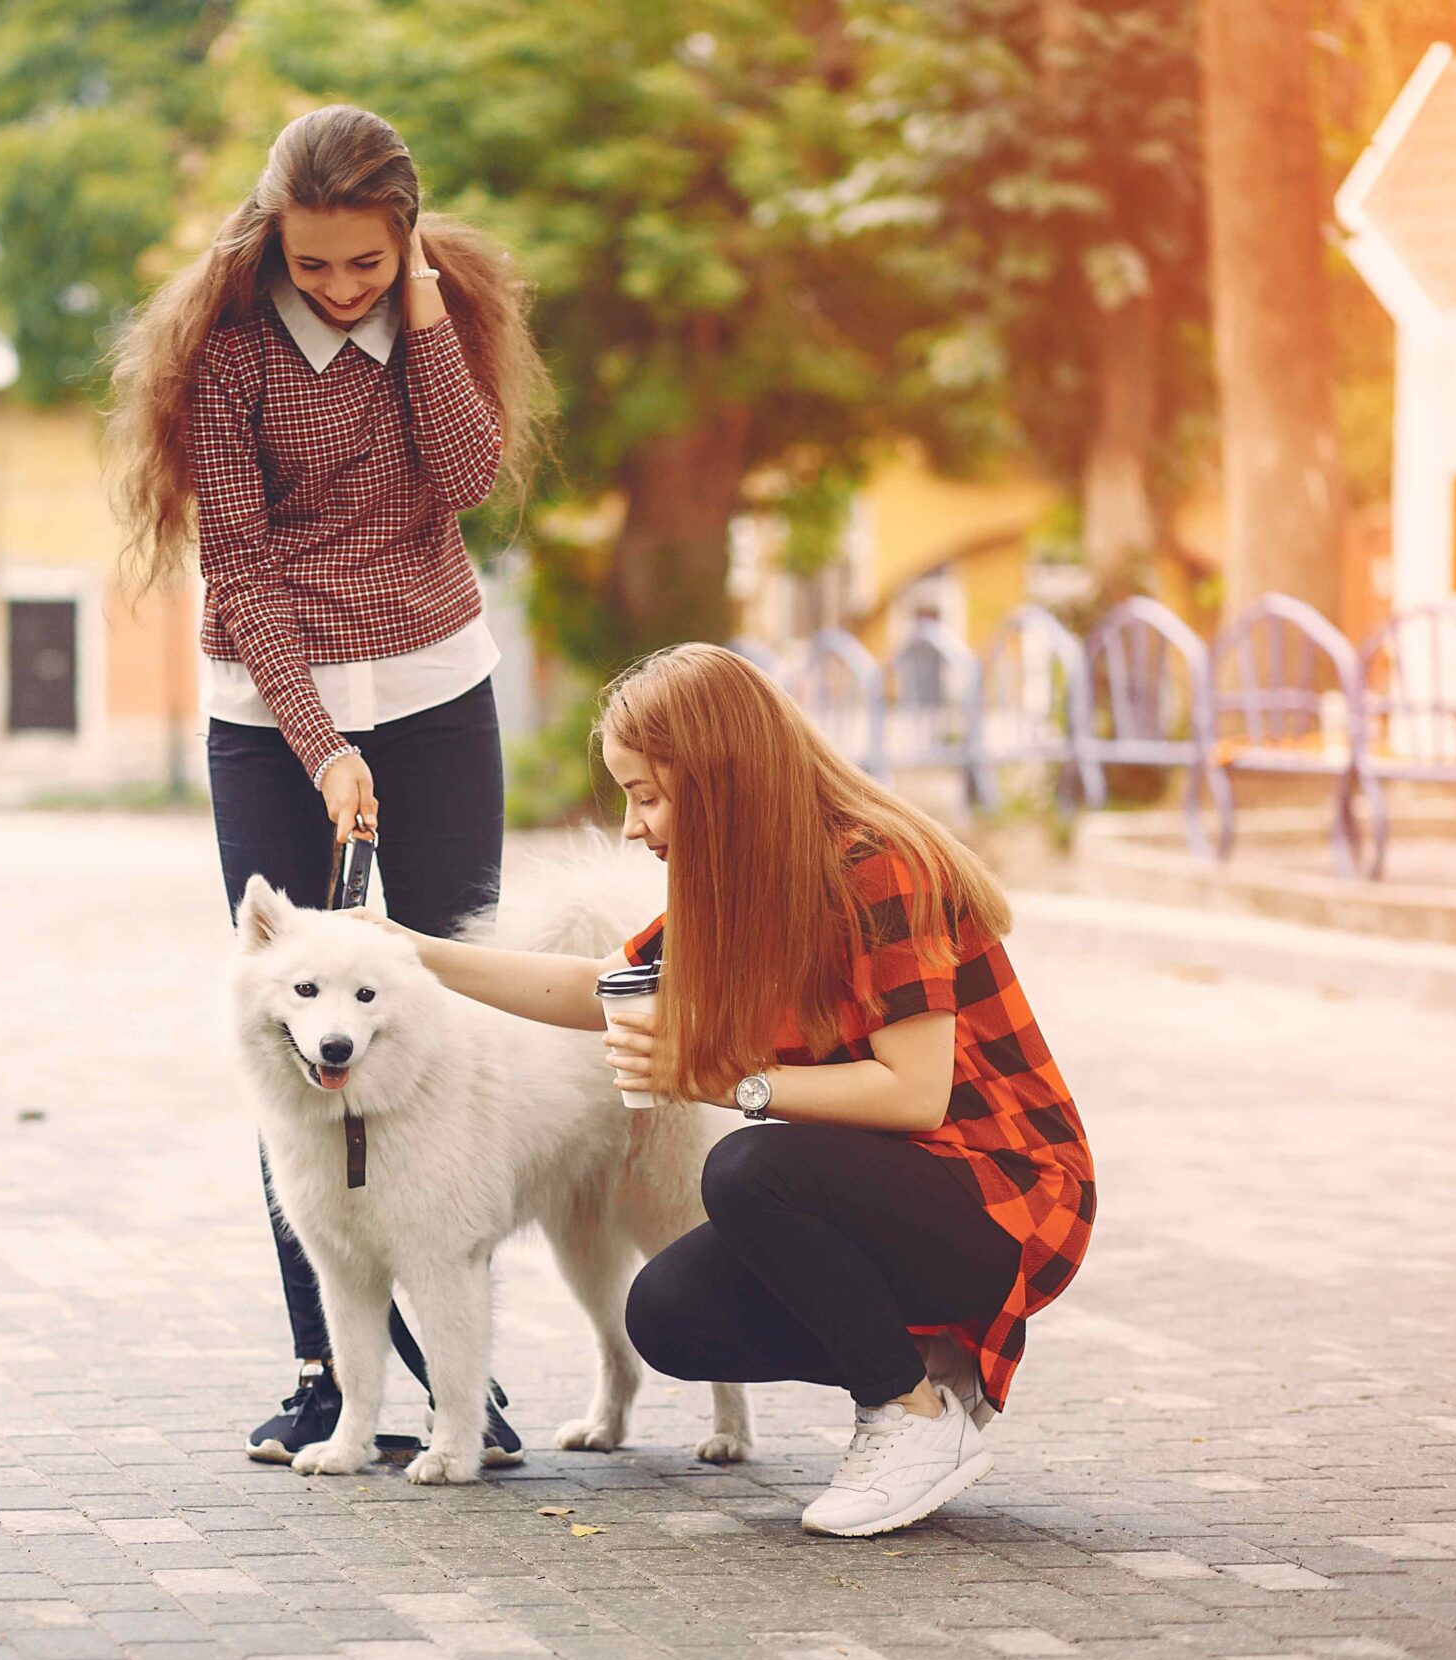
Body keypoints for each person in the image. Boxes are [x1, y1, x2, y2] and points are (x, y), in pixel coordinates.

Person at [355, 643, 1095, 1537]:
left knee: (748, 1168)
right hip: (892, 1189)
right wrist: (411, 949)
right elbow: (597, 986)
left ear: (720, 778)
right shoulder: (740, 888)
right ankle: (934, 1362)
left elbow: (914, 1097)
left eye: (648, 794)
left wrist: (723, 1082)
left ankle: (912, 1416)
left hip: (1006, 1198)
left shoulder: (880, 866)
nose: (633, 826)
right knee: (670, 1315)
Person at [105, 103, 550, 1462]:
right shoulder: (230, 355)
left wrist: (418, 315)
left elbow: (471, 475)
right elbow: (238, 570)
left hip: (432, 683)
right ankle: (327, 1375)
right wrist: (319, 744)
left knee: (446, 1004)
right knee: (304, 1024)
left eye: (368, 261)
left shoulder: (432, 312)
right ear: (272, 242)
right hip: (271, 704)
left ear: (403, 237)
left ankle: (464, 1386)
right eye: (316, 266)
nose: (339, 285)